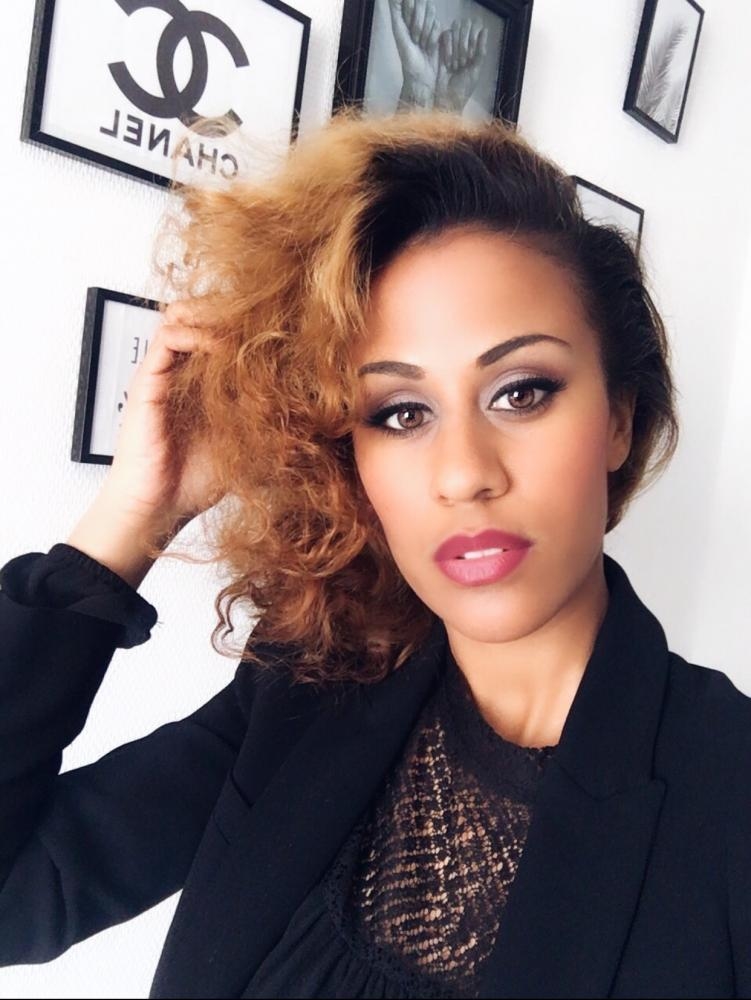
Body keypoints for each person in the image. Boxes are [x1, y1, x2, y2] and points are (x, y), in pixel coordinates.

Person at [1, 106, 749, 1000]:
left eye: (520, 392)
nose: (462, 474)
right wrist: (135, 516)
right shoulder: (310, 682)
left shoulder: (727, 797)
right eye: (400, 413)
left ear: (619, 418)